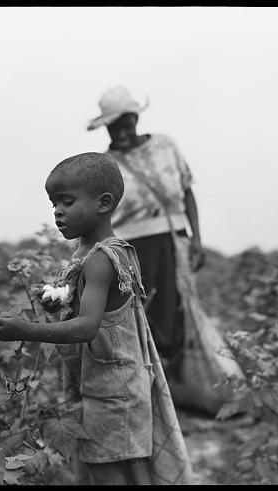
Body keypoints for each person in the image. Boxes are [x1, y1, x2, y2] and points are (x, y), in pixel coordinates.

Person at [0, 152, 193, 485]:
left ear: (103, 203)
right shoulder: (86, 252)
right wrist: (59, 303)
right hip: (106, 381)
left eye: (67, 202)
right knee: (113, 465)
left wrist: (23, 330)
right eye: (54, 204)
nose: (57, 211)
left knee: (105, 468)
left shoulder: (101, 259)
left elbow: (88, 327)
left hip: (115, 389)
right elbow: (96, 310)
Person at [85, 86, 206, 381]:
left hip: (173, 239)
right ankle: (149, 382)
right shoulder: (105, 165)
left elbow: (187, 191)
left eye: (126, 124)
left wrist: (197, 239)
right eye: (114, 127)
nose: (122, 133)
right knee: (143, 314)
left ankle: (178, 383)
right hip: (131, 247)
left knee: (177, 311)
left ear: (136, 119)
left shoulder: (165, 145)